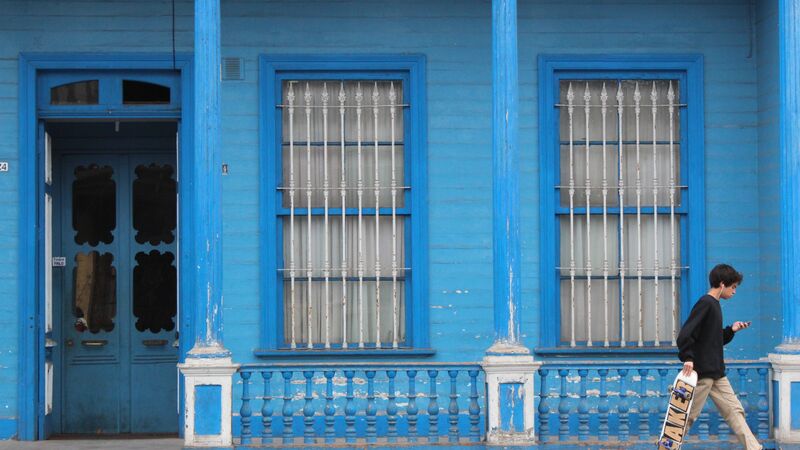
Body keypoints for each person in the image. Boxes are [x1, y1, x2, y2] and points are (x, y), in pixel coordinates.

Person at [676, 263, 760, 450]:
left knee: (735, 411)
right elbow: (685, 335)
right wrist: (688, 357)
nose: (734, 292)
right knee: (686, 416)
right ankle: (668, 446)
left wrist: (732, 330)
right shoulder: (706, 303)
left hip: (717, 374)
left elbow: (712, 340)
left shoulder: (714, 305)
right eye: (733, 287)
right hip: (703, 374)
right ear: (722, 284)